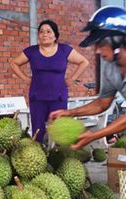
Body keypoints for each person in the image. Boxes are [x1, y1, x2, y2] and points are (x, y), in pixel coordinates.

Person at [49, 6, 126, 150]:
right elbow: (102, 103)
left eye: (101, 44)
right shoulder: (110, 68)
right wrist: (71, 112)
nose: (97, 50)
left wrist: (94, 135)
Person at [10, 20, 89, 143]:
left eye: (48, 31)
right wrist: (26, 79)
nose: (44, 34)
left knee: (60, 130)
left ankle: (58, 156)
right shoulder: (31, 51)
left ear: (55, 35)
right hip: (37, 98)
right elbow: (14, 63)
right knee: (38, 131)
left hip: (58, 98)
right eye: (41, 32)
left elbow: (84, 62)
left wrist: (71, 79)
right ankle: (37, 157)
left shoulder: (64, 50)